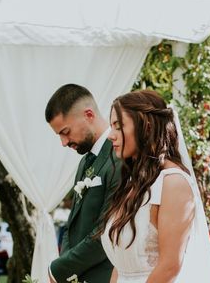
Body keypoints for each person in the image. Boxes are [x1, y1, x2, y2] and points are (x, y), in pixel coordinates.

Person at [100, 89, 210, 283]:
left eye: (118, 126)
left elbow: (170, 266)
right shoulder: (133, 182)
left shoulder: (172, 183)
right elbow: (121, 266)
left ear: (145, 126)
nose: (110, 135)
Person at [45, 84, 120, 283]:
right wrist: (68, 269)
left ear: (88, 114)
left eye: (66, 132)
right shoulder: (83, 164)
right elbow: (73, 225)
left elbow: (106, 231)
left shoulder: (118, 158)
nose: (63, 142)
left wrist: (58, 269)